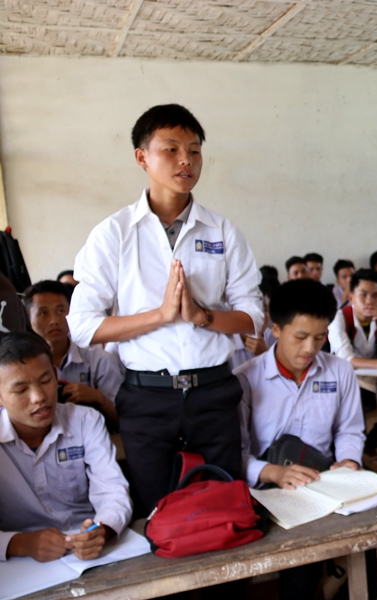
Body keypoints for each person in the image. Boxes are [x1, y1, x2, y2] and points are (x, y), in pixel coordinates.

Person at [67, 104, 265, 516]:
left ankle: (224, 583)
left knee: (223, 507)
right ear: (142, 157)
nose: (185, 161)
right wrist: (159, 315)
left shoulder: (222, 231)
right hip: (147, 397)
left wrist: (202, 317)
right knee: (157, 512)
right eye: (171, 149)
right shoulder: (114, 234)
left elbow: (252, 317)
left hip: (214, 393)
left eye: (194, 150)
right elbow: (84, 327)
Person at [236, 279, 371, 599]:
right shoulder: (245, 379)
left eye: (320, 337)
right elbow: (234, 453)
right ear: (276, 329)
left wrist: (349, 460)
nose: (310, 348)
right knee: (301, 559)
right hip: (264, 490)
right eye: (300, 337)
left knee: (373, 548)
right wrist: (273, 472)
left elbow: (350, 430)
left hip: (323, 479)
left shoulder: (339, 372)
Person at [0, 333, 132, 562]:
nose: (39, 397)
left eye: (45, 381)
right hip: (19, 564)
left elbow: (112, 491)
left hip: (89, 549)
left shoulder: (85, 421)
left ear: (55, 374)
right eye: (21, 390)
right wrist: (21, 543)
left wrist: (101, 530)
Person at [24, 281, 124, 431]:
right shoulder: (21, 367)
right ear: (29, 320)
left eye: (61, 310)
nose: (54, 320)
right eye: (43, 313)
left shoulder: (100, 360)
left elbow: (122, 422)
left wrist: (99, 399)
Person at [328, 269, 377, 374]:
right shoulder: (340, 318)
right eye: (363, 295)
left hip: (375, 379)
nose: (369, 301)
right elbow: (345, 358)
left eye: (375, 295)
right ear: (351, 298)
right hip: (345, 378)